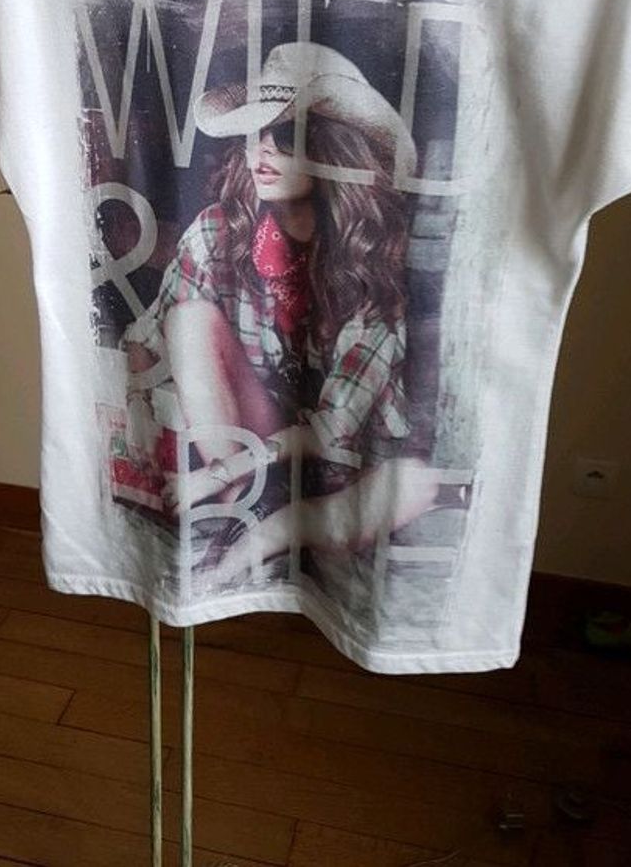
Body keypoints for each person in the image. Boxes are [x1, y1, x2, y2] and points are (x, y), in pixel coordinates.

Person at [120, 41, 440, 587]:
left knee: (416, 483)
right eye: (255, 135)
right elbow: (148, 337)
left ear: (335, 153)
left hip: (343, 458)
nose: (264, 150)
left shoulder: (367, 263)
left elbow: (335, 428)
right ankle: (244, 506)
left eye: (287, 136)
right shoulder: (217, 231)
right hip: (253, 445)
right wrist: (136, 427)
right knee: (187, 319)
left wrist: (219, 472)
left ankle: (273, 530)